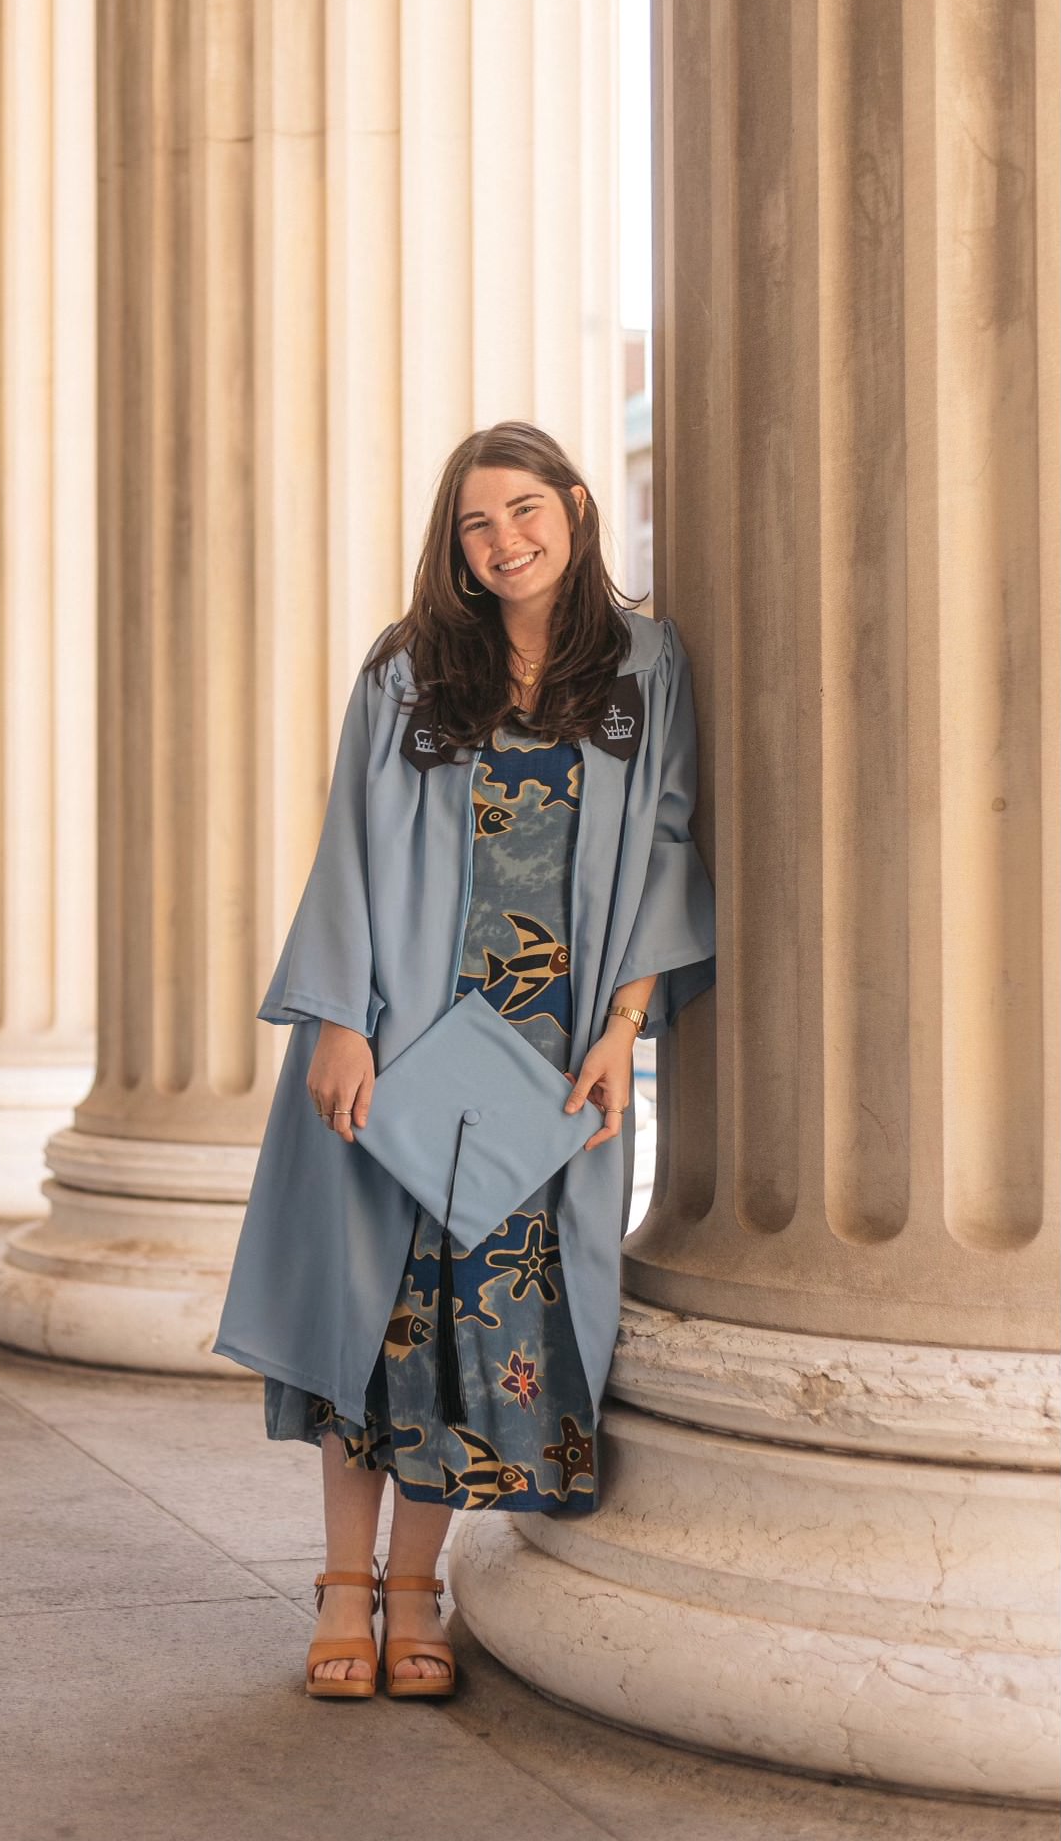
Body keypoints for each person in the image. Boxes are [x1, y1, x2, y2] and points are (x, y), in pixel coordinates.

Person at [214, 420, 717, 1700]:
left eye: (523, 511)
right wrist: (336, 1018)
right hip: (404, 1037)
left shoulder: (643, 668)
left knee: (462, 1322)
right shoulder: (408, 669)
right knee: (375, 1315)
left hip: (545, 1061)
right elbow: (349, 842)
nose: (504, 542)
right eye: (476, 524)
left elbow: (666, 848)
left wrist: (621, 1033)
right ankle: (341, 1584)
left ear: (576, 505)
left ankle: (416, 1589)